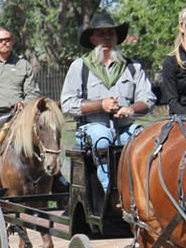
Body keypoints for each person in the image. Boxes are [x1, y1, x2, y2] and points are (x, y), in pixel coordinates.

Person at [59, 12, 155, 192]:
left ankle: (145, 191)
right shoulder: (80, 67)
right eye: (101, 34)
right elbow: (68, 103)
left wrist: (131, 108)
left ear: (117, 37)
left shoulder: (132, 67)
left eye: (110, 33)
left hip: (126, 127)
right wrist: (100, 105)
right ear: (93, 39)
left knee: (147, 138)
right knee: (103, 138)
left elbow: (147, 98)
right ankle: (112, 193)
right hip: (92, 127)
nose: (106, 38)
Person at [0, 26, 40, 135]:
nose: (4, 43)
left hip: (18, 114)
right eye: (0, 40)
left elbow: (33, 92)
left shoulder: (24, 65)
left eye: (7, 40)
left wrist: (24, 103)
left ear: (12, 41)